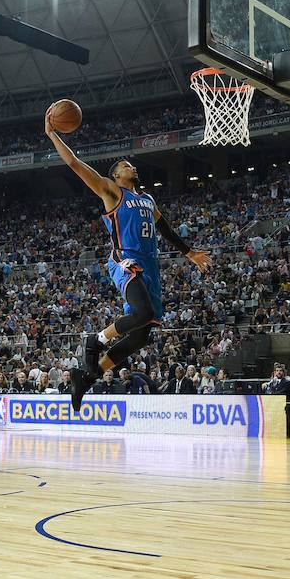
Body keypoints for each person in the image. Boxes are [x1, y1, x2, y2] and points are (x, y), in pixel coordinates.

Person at [44, 113, 211, 412]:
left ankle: (87, 375)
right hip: (126, 259)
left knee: (142, 333)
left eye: (130, 164)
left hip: (151, 266)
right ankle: (94, 339)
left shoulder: (147, 199)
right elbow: (74, 164)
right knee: (142, 311)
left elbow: (165, 229)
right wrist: (53, 134)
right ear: (116, 176)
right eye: (124, 165)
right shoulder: (111, 191)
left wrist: (189, 253)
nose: (130, 166)